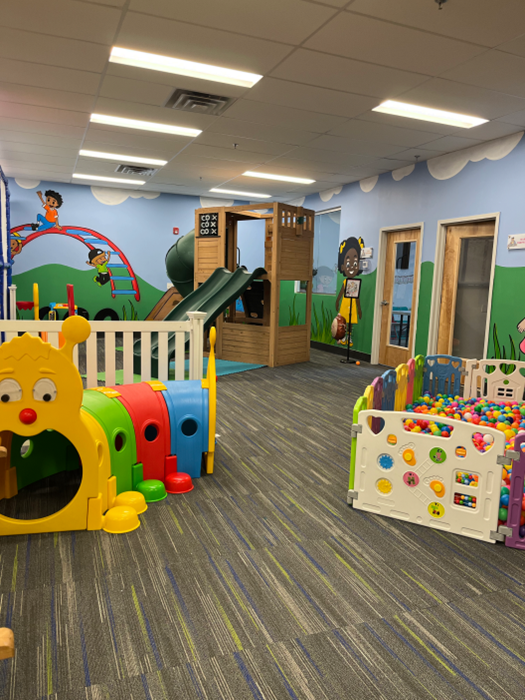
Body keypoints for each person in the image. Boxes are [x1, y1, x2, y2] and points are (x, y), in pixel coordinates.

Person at [335, 236, 364, 330]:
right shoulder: (345, 281)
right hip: (345, 303)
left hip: (352, 305)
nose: (351, 267)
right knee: (344, 320)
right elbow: (341, 292)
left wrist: (359, 308)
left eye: (355, 264)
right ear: (342, 267)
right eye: (348, 264)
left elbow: (357, 297)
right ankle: (343, 334)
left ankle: (349, 334)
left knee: (351, 321)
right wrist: (337, 301)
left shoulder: (355, 283)